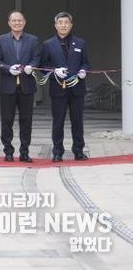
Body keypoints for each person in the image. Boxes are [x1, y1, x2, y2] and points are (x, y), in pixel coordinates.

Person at [0, 11, 41, 163]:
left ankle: (24, 152)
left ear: (24, 22)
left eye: (20, 20)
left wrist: (31, 66)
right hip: (8, 85)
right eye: (14, 20)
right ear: (9, 23)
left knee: (26, 120)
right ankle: (8, 151)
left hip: (27, 85)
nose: (17, 23)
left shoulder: (33, 40)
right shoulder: (1, 40)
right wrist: (8, 68)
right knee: (7, 120)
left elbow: (37, 59)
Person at [41, 12, 90, 162]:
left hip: (77, 88)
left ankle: (78, 150)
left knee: (77, 121)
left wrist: (83, 70)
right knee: (58, 122)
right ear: (55, 25)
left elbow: (85, 63)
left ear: (71, 25)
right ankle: (57, 152)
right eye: (60, 23)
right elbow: (43, 66)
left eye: (66, 22)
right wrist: (54, 71)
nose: (63, 25)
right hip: (58, 88)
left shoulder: (80, 43)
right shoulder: (48, 44)